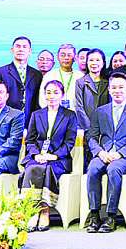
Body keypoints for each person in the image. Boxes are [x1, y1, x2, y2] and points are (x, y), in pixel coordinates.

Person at [84, 72, 126, 232]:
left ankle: (111, 216)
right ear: (109, 90)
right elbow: (91, 136)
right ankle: (94, 215)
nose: (117, 91)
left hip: (125, 157)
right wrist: (100, 152)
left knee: (114, 169)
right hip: (103, 154)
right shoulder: (100, 111)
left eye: (121, 87)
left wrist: (119, 154)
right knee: (92, 169)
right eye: (114, 87)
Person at [21, 79, 78, 231]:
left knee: (47, 168)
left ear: (62, 95)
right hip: (38, 157)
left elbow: (69, 142)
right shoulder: (36, 114)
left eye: (55, 92)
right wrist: (36, 155)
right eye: (48, 92)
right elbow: (30, 140)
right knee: (33, 168)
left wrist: (54, 156)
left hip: (58, 159)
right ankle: (33, 210)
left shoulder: (70, 115)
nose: (51, 96)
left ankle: (45, 210)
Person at [0, 36, 43, 115]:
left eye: (24, 47)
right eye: (18, 46)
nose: (21, 49)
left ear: (30, 51)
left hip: (29, 118)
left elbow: (38, 101)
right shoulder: (1, 72)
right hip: (7, 118)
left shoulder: (37, 74)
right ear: (12, 50)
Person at [72, 48, 108, 132]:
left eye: (97, 60)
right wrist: (90, 129)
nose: (94, 63)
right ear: (87, 63)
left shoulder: (108, 82)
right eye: (91, 60)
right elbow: (79, 108)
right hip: (86, 129)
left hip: (105, 128)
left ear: (103, 63)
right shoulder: (80, 82)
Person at [43, 43, 82, 109]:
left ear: (75, 58)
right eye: (62, 55)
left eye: (69, 55)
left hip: (76, 114)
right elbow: (43, 100)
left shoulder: (80, 76)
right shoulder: (49, 76)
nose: (66, 58)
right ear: (57, 57)